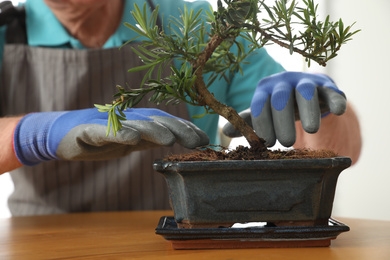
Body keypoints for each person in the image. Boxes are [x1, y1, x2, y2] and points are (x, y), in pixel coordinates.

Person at [0, 0, 361, 216]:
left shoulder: (195, 25)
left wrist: (321, 108)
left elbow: (343, 151)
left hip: (186, 240)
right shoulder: (6, 31)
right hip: (41, 241)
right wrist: (31, 137)